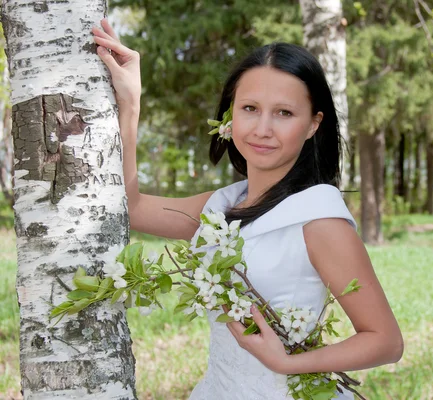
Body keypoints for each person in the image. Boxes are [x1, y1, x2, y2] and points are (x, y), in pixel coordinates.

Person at [92, 18, 403, 400]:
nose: (262, 129)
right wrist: (131, 102)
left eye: (285, 113)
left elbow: (386, 340)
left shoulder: (318, 219)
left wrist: (287, 363)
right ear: (230, 116)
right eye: (250, 108)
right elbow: (134, 207)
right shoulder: (221, 206)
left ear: (313, 124)